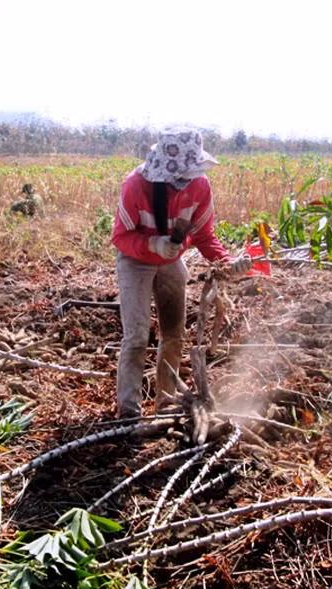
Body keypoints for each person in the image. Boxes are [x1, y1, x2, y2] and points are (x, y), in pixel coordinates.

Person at [111, 126, 252, 419]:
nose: (188, 178)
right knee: (136, 335)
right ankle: (128, 410)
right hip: (134, 260)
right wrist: (152, 243)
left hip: (170, 260)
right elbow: (121, 237)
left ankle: (166, 401)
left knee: (174, 334)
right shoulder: (136, 185)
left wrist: (227, 262)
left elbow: (203, 234)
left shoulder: (200, 186)